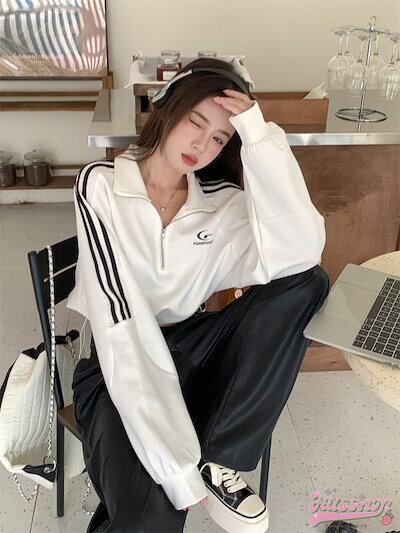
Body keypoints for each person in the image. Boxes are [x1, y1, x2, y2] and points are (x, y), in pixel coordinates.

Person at [67, 57, 330, 533]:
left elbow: (300, 252)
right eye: (195, 122)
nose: (202, 145)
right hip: (114, 363)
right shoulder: (101, 186)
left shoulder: (220, 202)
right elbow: (120, 325)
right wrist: (173, 466)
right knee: (152, 513)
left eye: (220, 138)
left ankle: (221, 458)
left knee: (307, 283)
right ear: (167, 110)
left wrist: (258, 135)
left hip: (193, 346)